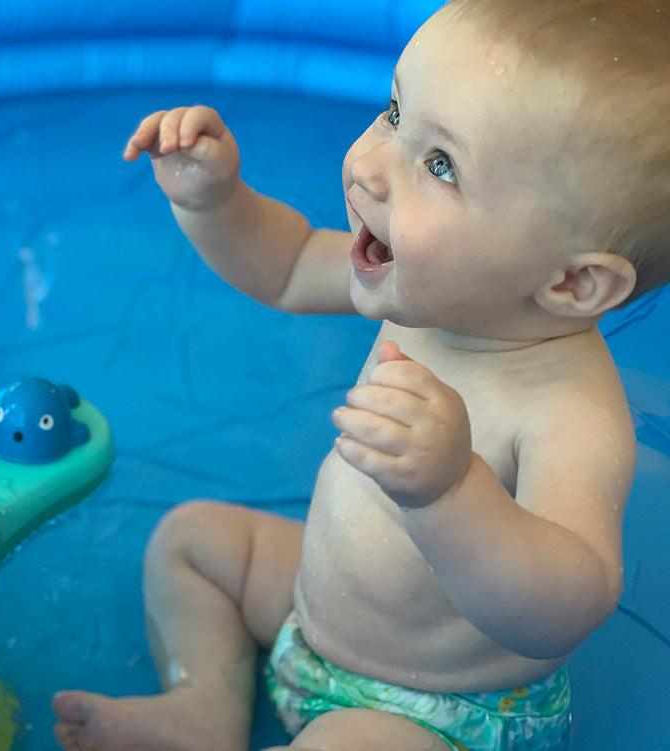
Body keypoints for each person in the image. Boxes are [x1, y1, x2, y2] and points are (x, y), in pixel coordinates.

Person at [52, 0, 670, 748]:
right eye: (394, 111)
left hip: (431, 711)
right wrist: (215, 203)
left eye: (440, 164)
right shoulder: (430, 290)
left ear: (571, 284)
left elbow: (569, 601)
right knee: (193, 542)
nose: (370, 165)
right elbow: (284, 266)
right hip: (316, 619)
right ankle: (202, 708)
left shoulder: (568, 410)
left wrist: (450, 490)